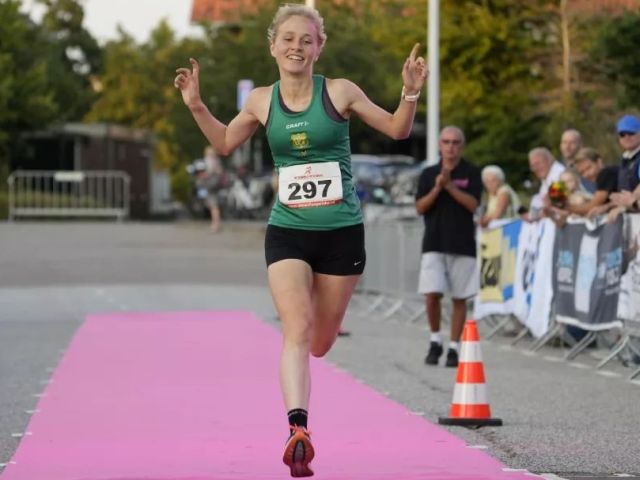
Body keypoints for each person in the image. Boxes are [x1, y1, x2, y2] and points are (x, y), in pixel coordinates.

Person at [174, 4, 427, 477]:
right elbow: (226, 143)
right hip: (288, 229)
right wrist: (195, 105)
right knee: (297, 329)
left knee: (321, 343)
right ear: (273, 45)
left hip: (341, 233)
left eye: (305, 40)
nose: (296, 46)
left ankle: (302, 408)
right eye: (287, 38)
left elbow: (396, 128)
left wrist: (409, 93)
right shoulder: (262, 101)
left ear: (319, 47)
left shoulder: (339, 92)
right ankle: (298, 428)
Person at [415, 126, 482, 368]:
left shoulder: (471, 172)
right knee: (432, 294)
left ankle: (454, 346)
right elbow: (420, 207)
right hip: (434, 242)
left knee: (460, 297)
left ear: (461, 146)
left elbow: (473, 205)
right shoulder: (428, 173)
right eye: (446, 142)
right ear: (439, 145)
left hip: (462, 243)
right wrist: (437, 187)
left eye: (455, 142)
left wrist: (451, 186)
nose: (451, 147)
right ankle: (435, 340)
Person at [526, 147, 565, 222]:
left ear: (549, 160)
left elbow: (557, 204)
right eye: (532, 166)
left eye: (538, 163)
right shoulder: (546, 178)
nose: (535, 169)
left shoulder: (559, 174)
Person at [197, 146, 224, 232]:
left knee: (213, 206)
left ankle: (215, 224)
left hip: (210, 186)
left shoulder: (210, 162)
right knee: (213, 206)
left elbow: (208, 173)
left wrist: (203, 175)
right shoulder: (217, 161)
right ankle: (216, 223)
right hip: (214, 186)